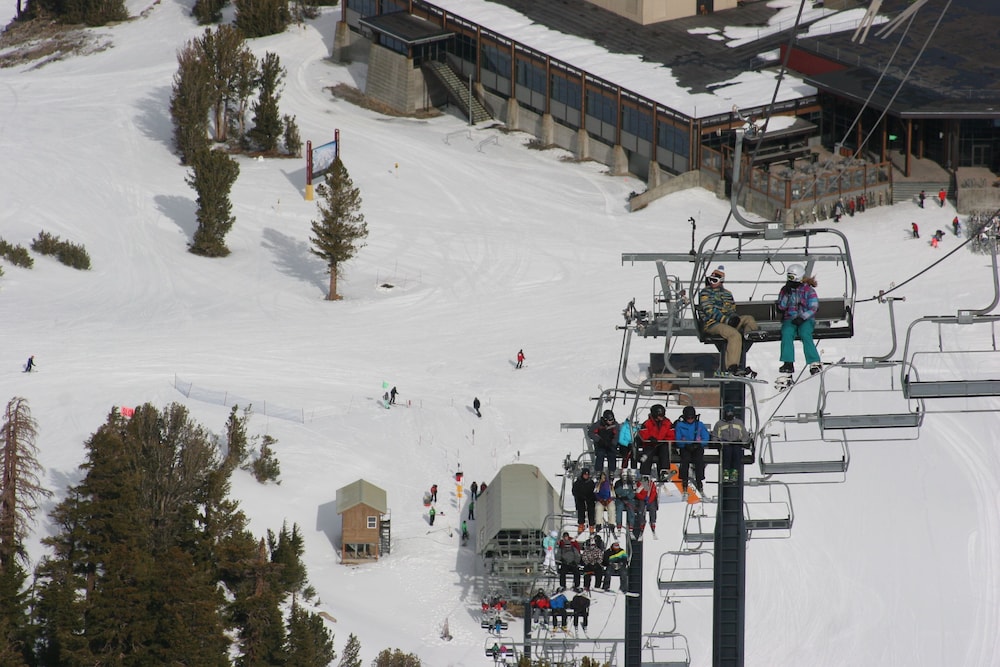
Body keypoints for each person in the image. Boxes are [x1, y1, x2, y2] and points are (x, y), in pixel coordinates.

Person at [697, 265, 761, 376]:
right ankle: (732, 367)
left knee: (748, 319)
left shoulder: (727, 293)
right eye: (710, 279)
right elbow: (709, 310)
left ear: (721, 281)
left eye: (715, 280)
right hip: (712, 324)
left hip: (727, 322)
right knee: (734, 335)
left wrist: (733, 317)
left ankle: (749, 335)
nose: (712, 282)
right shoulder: (705, 293)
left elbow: (731, 309)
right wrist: (727, 320)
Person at [776, 264, 821, 376]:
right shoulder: (785, 290)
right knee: (787, 333)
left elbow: (814, 307)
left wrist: (803, 317)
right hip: (790, 318)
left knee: (805, 333)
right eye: (789, 277)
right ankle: (788, 362)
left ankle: (814, 362)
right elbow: (781, 306)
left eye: (792, 277)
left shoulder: (808, 290)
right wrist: (786, 294)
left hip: (805, 319)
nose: (790, 280)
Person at [712, 404, 751, 483]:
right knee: (727, 452)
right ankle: (726, 471)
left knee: (737, 452)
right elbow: (715, 436)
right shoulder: (719, 424)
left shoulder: (739, 423)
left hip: (736, 443)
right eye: (728, 413)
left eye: (731, 413)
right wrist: (717, 442)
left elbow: (745, 435)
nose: (729, 415)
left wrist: (741, 441)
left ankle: (734, 472)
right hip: (725, 444)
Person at [674, 405, 709, 494]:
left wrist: (699, 443)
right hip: (685, 447)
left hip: (697, 446)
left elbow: (705, 437)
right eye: (688, 418)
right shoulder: (680, 425)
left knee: (699, 460)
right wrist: (684, 444)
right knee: (685, 460)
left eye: (692, 418)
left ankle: (699, 480)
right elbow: (677, 438)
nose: (690, 420)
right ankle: (684, 480)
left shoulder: (699, 425)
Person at [635, 404, 675, 482]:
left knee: (664, 449)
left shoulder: (667, 423)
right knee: (647, 454)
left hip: (661, 444)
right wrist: (649, 438)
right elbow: (643, 433)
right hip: (650, 444)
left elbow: (671, 434)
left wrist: (664, 440)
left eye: (663, 415)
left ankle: (664, 471)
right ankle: (645, 474)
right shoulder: (647, 423)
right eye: (660, 415)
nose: (661, 417)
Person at [588, 409, 620, 475]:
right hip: (600, 444)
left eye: (612, 420)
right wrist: (598, 440)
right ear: (605, 419)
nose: (611, 421)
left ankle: (612, 471)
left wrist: (612, 443)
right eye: (610, 420)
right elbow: (590, 432)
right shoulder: (598, 424)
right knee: (600, 454)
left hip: (610, 444)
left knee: (612, 454)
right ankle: (598, 470)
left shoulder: (615, 425)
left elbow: (617, 435)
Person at [572, 468, 597, 534]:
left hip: (589, 499)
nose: (586, 476)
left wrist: (591, 497)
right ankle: (581, 524)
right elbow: (574, 492)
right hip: (580, 499)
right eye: (585, 475)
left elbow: (593, 492)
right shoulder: (577, 482)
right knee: (581, 509)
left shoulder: (591, 482)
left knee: (591, 509)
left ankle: (591, 525)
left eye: (587, 475)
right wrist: (580, 496)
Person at [613, 470, 637, 536]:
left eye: (625, 476)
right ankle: (619, 527)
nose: (624, 477)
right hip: (620, 500)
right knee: (619, 509)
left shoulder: (631, 483)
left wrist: (628, 497)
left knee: (631, 510)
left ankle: (631, 528)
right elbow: (616, 491)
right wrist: (622, 496)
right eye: (623, 475)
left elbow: (634, 492)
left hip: (629, 500)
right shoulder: (618, 483)